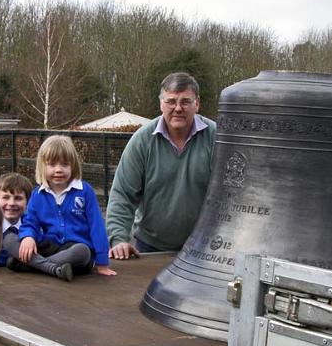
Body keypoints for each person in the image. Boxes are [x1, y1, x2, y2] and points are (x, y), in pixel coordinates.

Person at [106, 72, 216, 259]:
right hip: (151, 248)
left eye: (185, 101)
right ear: (161, 104)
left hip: (205, 248)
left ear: (197, 104)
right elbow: (122, 194)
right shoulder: (142, 141)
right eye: (171, 101)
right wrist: (118, 239)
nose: (178, 108)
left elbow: (232, 193)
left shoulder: (216, 137)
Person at [12, 135, 117, 281]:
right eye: (52, 164)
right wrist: (28, 237)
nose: (59, 170)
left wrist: (102, 261)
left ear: (73, 166)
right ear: (42, 166)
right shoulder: (38, 194)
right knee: (10, 239)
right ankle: (51, 267)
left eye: (64, 164)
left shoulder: (84, 191)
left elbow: (96, 226)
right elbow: (30, 222)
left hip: (75, 250)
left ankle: (32, 265)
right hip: (51, 246)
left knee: (83, 252)